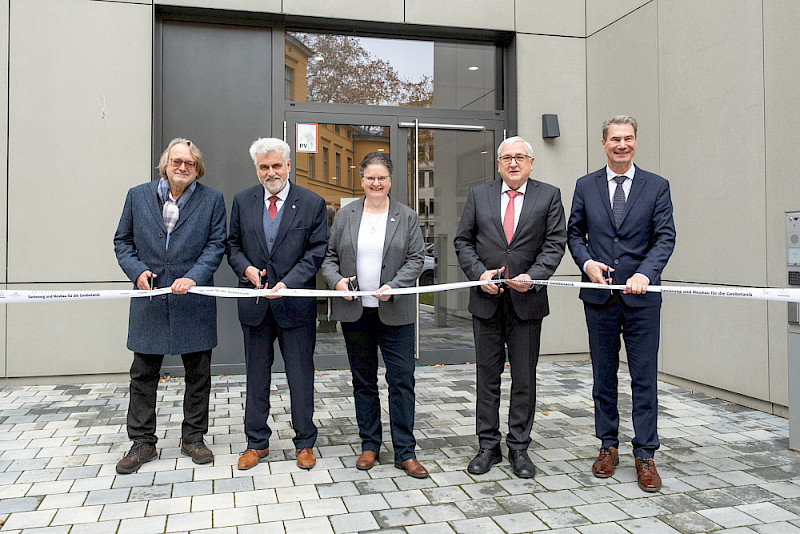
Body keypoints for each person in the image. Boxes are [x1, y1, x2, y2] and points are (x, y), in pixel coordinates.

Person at [567, 115, 676, 492]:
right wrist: (586, 263)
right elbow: (573, 234)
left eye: (628, 138)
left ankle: (645, 453)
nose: (622, 144)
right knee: (604, 375)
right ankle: (607, 446)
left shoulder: (657, 186)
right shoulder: (585, 185)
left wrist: (646, 273)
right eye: (615, 139)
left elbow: (665, 237)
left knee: (644, 378)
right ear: (604, 143)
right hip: (599, 297)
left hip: (643, 298)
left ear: (635, 142)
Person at [454, 136, 566, 478]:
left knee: (524, 379)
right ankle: (488, 446)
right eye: (506, 158)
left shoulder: (549, 196)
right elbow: (463, 241)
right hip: (486, 302)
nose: (513, 163)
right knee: (486, 378)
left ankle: (519, 447)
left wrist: (534, 275)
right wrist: (478, 273)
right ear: (498, 164)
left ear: (531, 162)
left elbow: (555, 243)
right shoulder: (479, 195)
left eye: (519, 157)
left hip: (527, 303)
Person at [113, 138, 226, 474]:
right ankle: (142, 442)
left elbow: (216, 244)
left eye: (189, 163)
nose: (182, 167)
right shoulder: (137, 195)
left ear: (197, 169)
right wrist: (137, 272)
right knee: (143, 375)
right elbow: (123, 241)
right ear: (165, 165)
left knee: (198, 374)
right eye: (177, 161)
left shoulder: (213, 200)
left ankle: (193, 437)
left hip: (193, 299)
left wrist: (194, 277)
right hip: (149, 299)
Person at [321, 152, 428, 478]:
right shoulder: (346, 215)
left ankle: (405, 452)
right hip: (356, 314)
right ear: (362, 179)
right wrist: (337, 280)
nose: (376, 183)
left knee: (401, 381)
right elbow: (328, 257)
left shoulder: (406, 216)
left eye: (381, 177)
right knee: (363, 381)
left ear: (390, 180)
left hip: (396, 313)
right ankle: (370, 444)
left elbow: (417, 258)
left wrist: (395, 285)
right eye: (370, 177)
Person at [226, 137, 327, 471]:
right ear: (257, 169)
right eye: (264, 167)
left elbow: (316, 251)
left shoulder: (311, 202)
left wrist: (288, 283)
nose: (271, 173)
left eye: (276, 166)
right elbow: (233, 245)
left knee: (301, 377)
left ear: (288, 165)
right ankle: (256, 443)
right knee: (256, 377)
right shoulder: (243, 201)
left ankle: (305, 443)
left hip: (294, 305)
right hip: (255, 305)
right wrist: (247, 269)